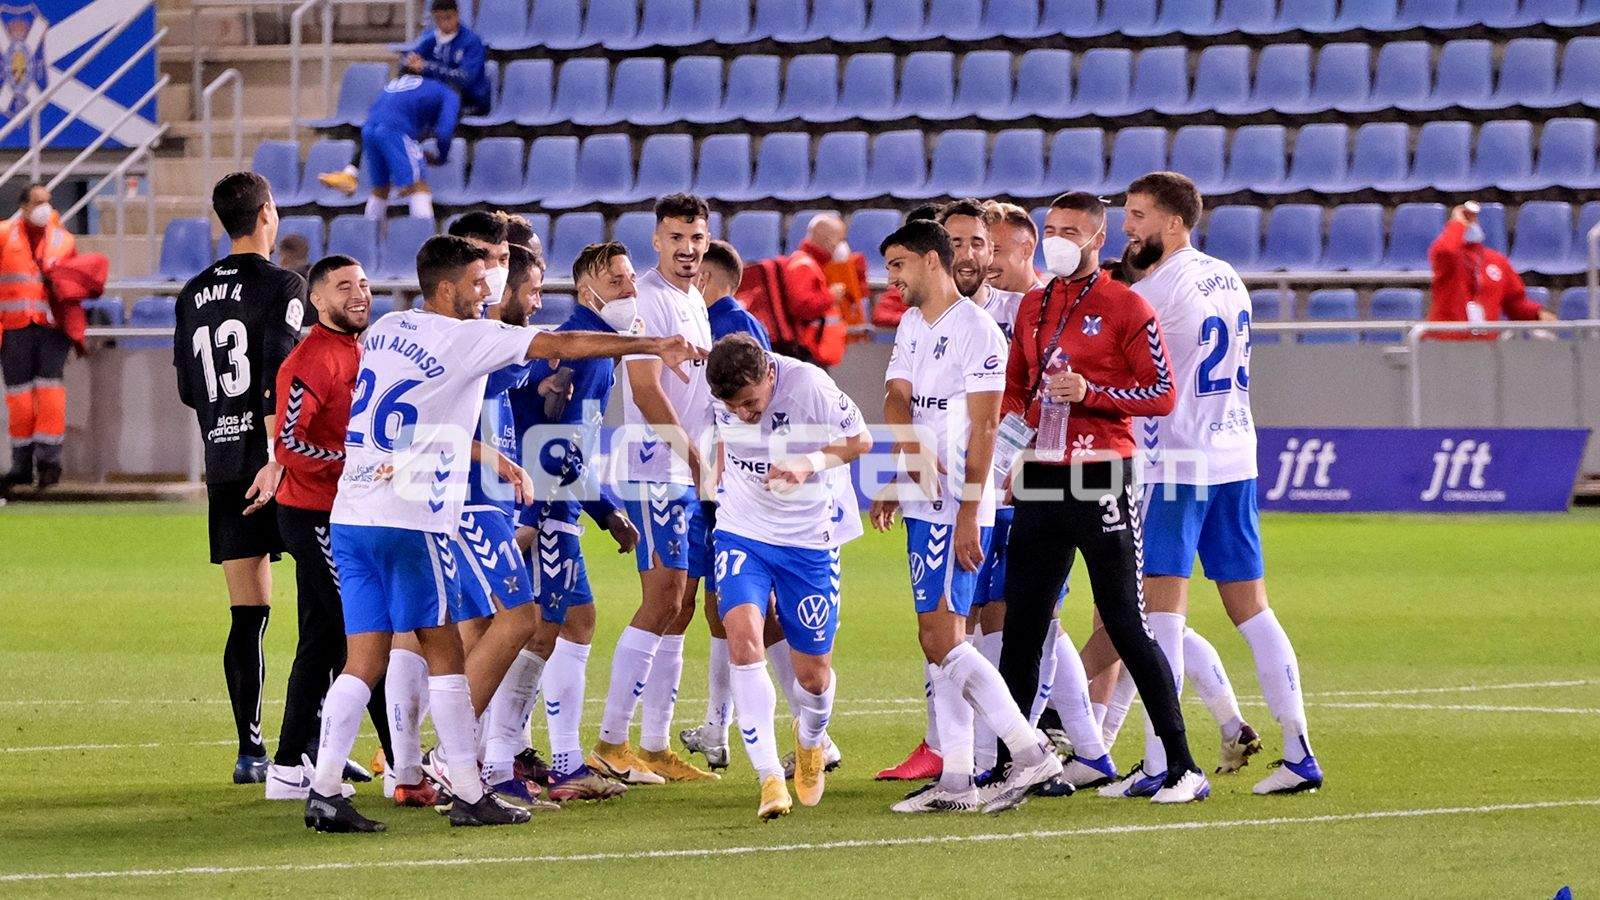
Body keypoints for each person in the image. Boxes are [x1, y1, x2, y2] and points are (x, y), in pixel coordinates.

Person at [304, 234, 701, 832]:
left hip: (354, 513)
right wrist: (651, 341)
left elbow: (409, 419)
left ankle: (327, 790)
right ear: (446, 289)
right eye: (476, 284)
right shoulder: (469, 336)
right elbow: (563, 341)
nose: (486, 293)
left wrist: (488, 456)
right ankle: (463, 785)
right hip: (413, 519)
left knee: (365, 657)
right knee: (445, 651)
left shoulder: (387, 328)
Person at [994, 190, 1209, 805]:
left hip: (1103, 476)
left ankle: (1183, 766)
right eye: (1051, 228)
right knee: (1023, 626)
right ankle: (1022, 762)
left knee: (1124, 622)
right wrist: (1005, 452)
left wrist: (1091, 390)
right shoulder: (1034, 305)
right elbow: (1018, 390)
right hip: (1041, 475)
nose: (1058, 239)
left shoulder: (1125, 304)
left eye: (1070, 230)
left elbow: (1162, 394)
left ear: (1097, 238)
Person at [1121, 171, 1322, 795]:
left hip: (1178, 459)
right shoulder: (1227, 275)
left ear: (1173, 223)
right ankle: (1298, 753)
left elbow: (1137, 372)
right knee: (1252, 607)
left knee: (1162, 612)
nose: (1128, 228)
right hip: (1236, 450)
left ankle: (1164, 763)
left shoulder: (1158, 289)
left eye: (1137, 216)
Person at [869, 219, 1062, 814]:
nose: (891, 279)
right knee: (940, 641)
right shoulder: (910, 324)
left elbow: (986, 425)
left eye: (899, 265)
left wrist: (971, 512)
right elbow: (896, 399)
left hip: (959, 503)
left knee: (945, 636)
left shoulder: (979, 332)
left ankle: (1030, 753)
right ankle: (957, 779)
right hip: (928, 500)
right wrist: (906, 470)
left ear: (932, 261)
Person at [705, 334, 872, 819]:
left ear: (769, 376)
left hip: (807, 542)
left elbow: (861, 439)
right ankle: (769, 780)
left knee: (814, 679)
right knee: (743, 639)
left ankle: (810, 741)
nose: (744, 414)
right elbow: (718, 434)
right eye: (733, 406)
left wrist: (808, 462)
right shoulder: (724, 397)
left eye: (752, 403)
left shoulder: (810, 386)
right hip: (742, 532)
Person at [172, 172, 305, 785]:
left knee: (248, 614)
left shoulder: (191, 292)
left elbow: (187, 388)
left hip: (223, 465)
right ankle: (307, 747)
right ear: (267, 213)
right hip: (280, 464)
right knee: (325, 609)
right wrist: (278, 456)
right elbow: (282, 374)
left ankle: (250, 750)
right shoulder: (283, 284)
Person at [588, 194, 720, 786]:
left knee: (682, 606)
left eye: (696, 238)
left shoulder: (695, 299)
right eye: (676, 239)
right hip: (656, 468)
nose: (688, 249)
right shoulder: (646, 298)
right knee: (662, 599)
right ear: (656, 241)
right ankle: (612, 741)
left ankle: (655, 744)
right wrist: (693, 458)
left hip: (688, 470)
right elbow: (644, 387)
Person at [262, 254, 396, 801]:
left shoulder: (357, 349)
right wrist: (352, 461)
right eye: (344, 287)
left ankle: (290, 765)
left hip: (340, 512)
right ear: (318, 300)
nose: (359, 294)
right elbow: (288, 444)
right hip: (314, 514)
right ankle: (404, 764)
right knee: (362, 635)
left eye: (364, 284)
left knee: (320, 638)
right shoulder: (313, 358)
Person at [508, 242, 639, 803]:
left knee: (576, 619)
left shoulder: (587, 348)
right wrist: (603, 510)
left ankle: (550, 757)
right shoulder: (581, 352)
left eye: (630, 279)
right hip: (548, 504)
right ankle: (513, 758)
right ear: (588, 292)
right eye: (616, 282)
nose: (629, 290)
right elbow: (554, 442)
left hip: (550, 499)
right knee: (540, 630)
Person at [679, 239, 768, 772]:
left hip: (724, 485)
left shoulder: (727, 329)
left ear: (708, 281)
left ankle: (805, 728)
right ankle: (718, 722)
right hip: (727, 482)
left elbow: (738, 415)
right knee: (722, 605)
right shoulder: (738, 323)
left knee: (730, 604)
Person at [318, 0, 487, 199]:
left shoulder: (471, 41)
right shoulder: (431, 39)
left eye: (447, 18)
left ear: (457, 16)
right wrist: (411, 67)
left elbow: (467, 79)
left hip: (463, 99)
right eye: (439, 19)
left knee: (395, 126)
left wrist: (427, 69)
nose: (443, 23)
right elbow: (407, 65)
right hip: (431, 98)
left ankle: (402, 176)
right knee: (381, 119)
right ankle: (353, 173)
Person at [1, 183, 75, 492]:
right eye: (38, 202)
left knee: (50, 395)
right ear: (25, 207)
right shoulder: (4, 235)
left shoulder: (64, 239)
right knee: (18, 397)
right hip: (15, 327)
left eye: (49, 201)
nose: (46, 207)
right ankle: (21, 464)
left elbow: (75, 282)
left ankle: (49, 463)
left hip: (51, 328)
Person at [322, 73, 459, 223]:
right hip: (395, 130)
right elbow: (444, 132)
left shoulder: (403, 83)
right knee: (417, 185)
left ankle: (371, 235)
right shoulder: (449, 93)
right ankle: (426, 240)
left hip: (369, 129)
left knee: (381, 188)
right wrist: (442, 157)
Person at [1426, 201, 1555, 341]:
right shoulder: (1448, 259)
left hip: (1484, 346)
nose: (1471, 223)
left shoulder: (1496, 260)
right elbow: (1446, 250)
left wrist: (1537, 313)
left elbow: (1514, 303)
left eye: (1475, 219)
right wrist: (1457, 224)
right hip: (1444, 344)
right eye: (1468, 219)